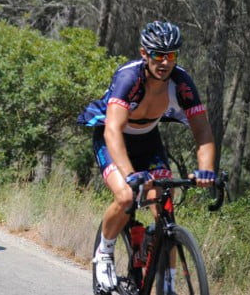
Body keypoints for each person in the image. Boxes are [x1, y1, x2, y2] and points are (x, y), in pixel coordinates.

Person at [77, 21, 216, 293]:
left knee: (165, 208)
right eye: (157, 55)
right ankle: (104, 253)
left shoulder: (182, 82)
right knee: (127, 196)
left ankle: (166, 282)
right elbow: (113, 130)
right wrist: (130, 175)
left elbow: (203, 131)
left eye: (171, 55)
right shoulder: (129, 78)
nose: (164, 62)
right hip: (113, 139)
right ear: (144, 53)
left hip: (148, 141)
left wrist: (206, 170)